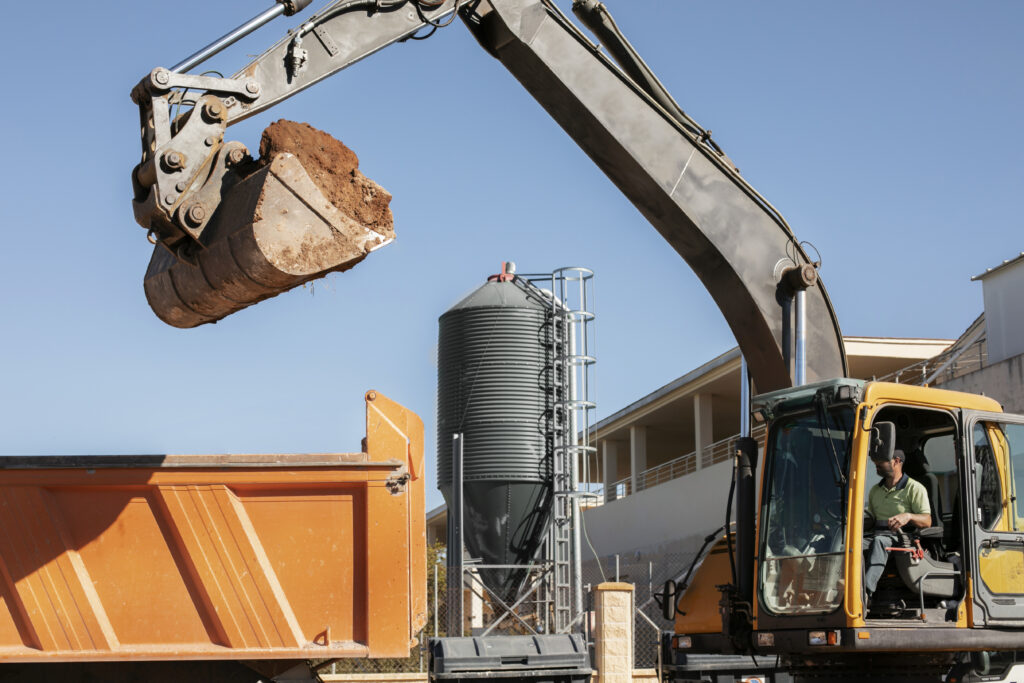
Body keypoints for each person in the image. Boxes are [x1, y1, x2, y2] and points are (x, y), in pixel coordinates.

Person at [863, 448, 932, 601]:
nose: (876, 465)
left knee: (880, 542)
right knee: (849, 542)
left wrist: (908, 516)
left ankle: (864, 593)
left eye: (881, 461)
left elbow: (927, 521)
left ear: (897, 461)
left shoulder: (915, 488)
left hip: (901, 538)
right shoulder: (875, 490)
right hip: (876, 534)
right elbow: (871, 520)